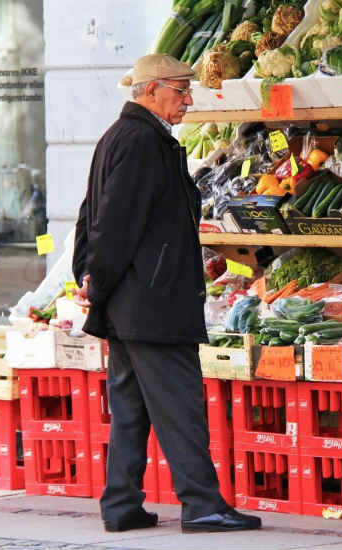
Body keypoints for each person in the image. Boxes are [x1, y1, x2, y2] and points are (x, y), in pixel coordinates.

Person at [71, 54, 261, 534]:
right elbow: (112, 224)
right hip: (152, 302)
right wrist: (98, 280)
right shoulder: (141, 141)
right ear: (151, 91)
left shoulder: (123, 137)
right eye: (180, 90)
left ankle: (121, 505)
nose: (188, 99)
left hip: (132, 302)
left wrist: (93, 280)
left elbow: (89, 213)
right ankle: (202, 505)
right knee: (180, 407)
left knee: (131, 409)